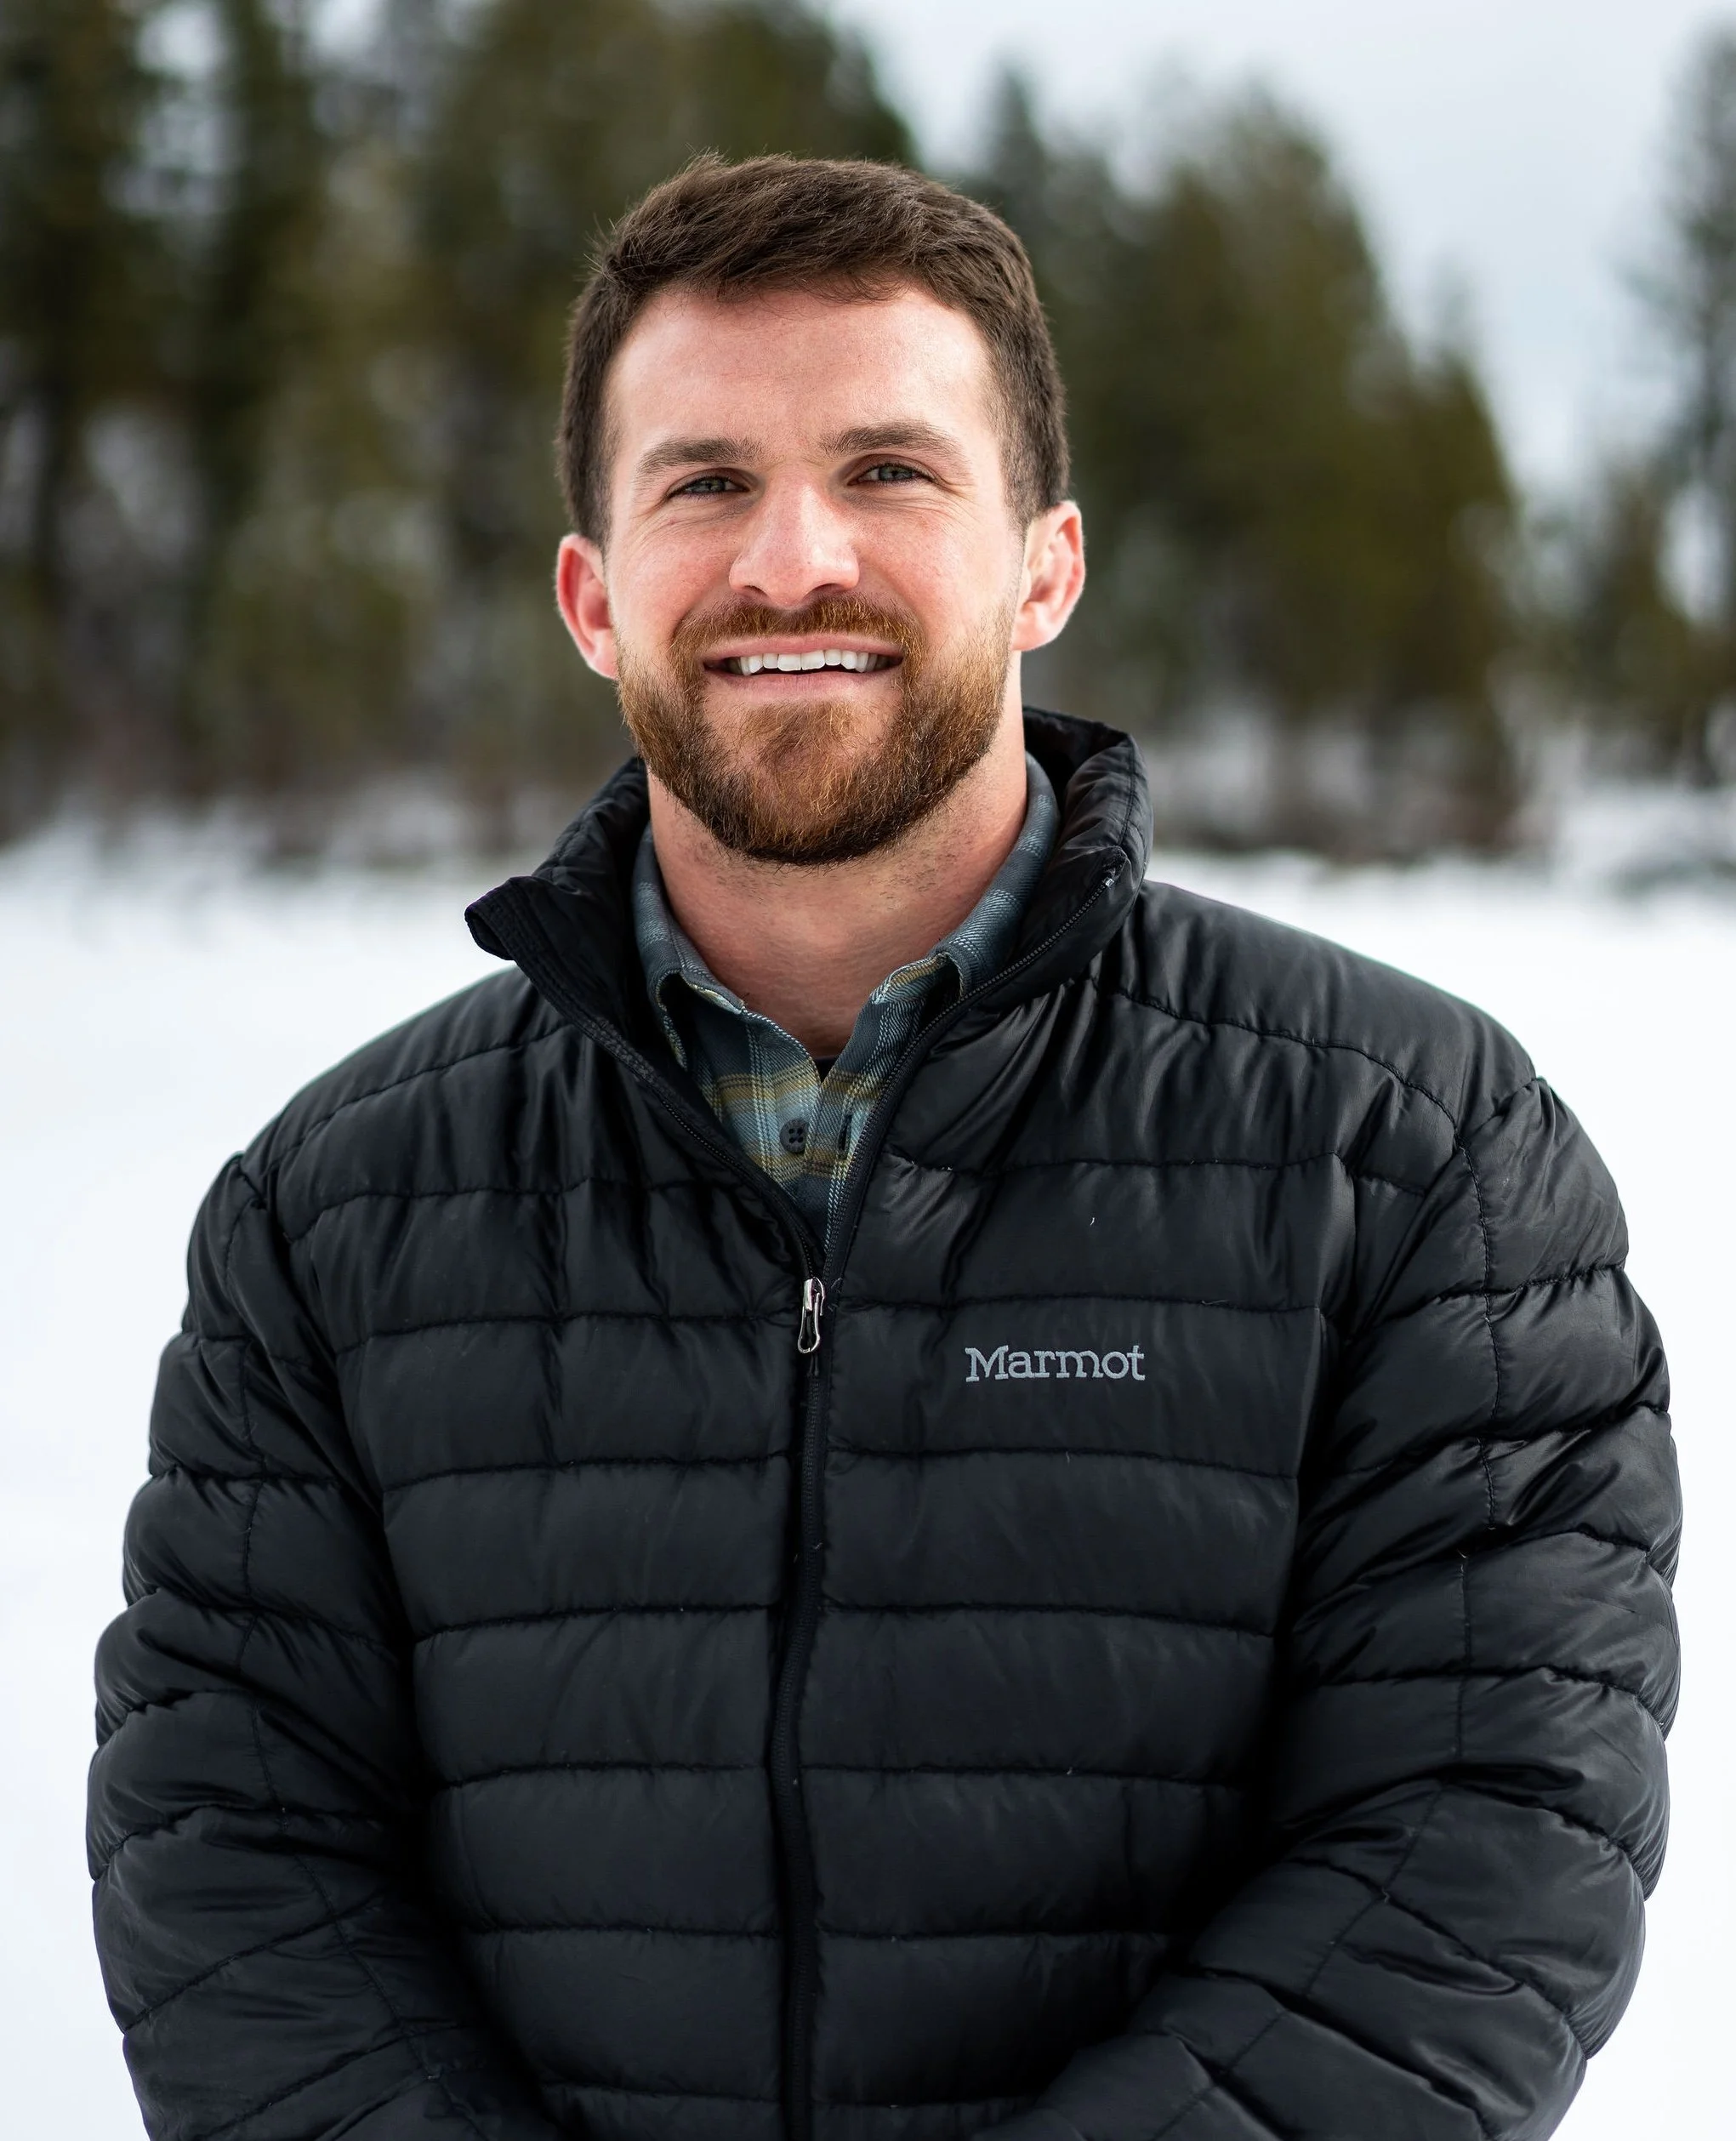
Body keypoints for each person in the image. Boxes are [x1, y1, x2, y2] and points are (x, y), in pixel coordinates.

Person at [89, 155, 1680, 2141]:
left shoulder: (1416, 1157)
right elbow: (234, 1859)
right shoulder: (333, 1218)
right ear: (595, 595)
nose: (789, 561)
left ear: (1047, 566)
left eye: (891, 471)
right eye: (704, 484)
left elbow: (1482, 1840)